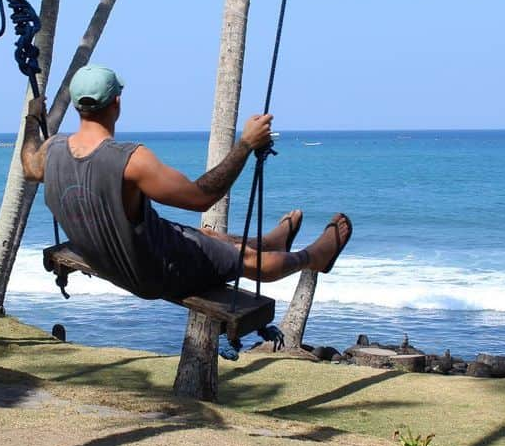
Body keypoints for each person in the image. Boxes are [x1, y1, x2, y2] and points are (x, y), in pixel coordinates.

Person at [21, 64, 352, 301]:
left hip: (115, 257)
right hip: (153, 273)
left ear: (79, 107)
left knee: (207, 235)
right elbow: (201, 197)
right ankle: (314, 257)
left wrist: (33, 119)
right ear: (117, 103)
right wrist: (246, 144)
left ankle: (270, 241)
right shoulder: (130, 160)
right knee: (242, 259)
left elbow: (28, 165)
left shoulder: (52, 152)